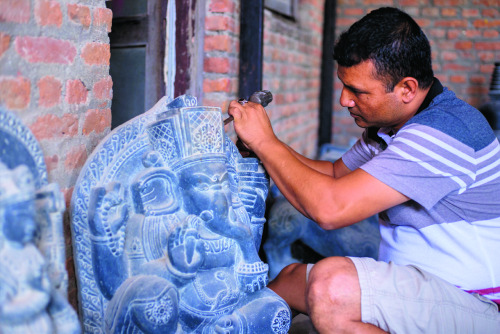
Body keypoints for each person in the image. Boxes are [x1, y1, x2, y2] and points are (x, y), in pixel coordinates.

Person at [228, 6, 500, 333]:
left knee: (330, 288)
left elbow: (330, 208)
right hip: (422, 288)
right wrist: (264, 146)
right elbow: (333, 175)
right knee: (288, 281)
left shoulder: (443, 132)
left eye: (357, 91)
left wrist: (266, 143)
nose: (345, 100)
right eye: (344, 85)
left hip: (474, 303)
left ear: (407, 89)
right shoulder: (392, 125)